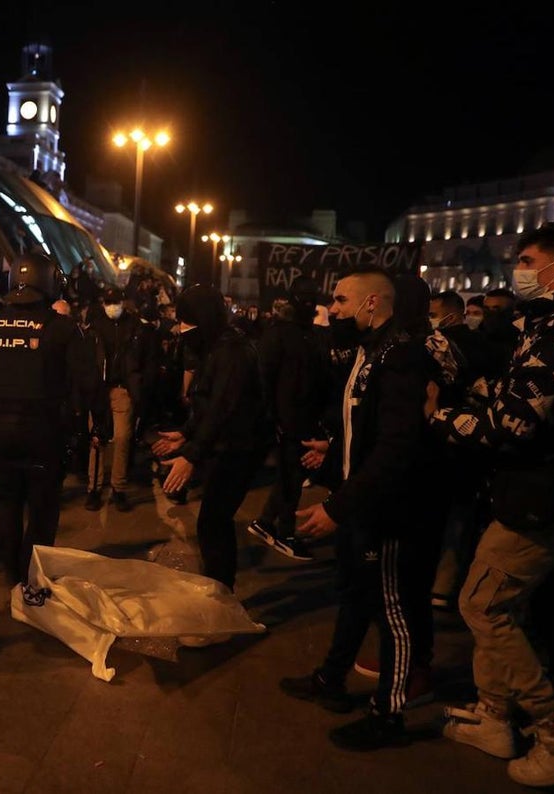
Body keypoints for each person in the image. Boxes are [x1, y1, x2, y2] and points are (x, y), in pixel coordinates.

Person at [430, 218, 554, 786]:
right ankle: (493, 714)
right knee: (500, 604)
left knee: (484, 605)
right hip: (538, 491)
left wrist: (441, 417)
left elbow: (515, 423)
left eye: (527, 260)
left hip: (545, 496)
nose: (520, 270)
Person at [279, 266, 435, 752]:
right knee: (353, 594)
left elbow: (397, 447)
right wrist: (333, 456)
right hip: (359, 502)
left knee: (393, 611)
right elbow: (364, 427)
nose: (334, 310)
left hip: (385, 511)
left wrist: (339, 508)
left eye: (342, 301)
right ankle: (332, 678)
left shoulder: (401, 357)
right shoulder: (372, 352)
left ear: (372, 303)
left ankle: (388, 714)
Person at [0, 252, 102, 585]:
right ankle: (33, 576)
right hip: (45, 432)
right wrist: (100, 423)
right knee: (42, 508)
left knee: (8, 502)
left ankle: (11, 572)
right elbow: (89, 380)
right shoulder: (62, 328)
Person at [151, 284, 269, 592]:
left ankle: (221, 594)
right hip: (225, 448)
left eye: (186, 321)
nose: (180, 329)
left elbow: (222, 409)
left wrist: (192, 454)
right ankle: (219, 587)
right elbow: (207, 403)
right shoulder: (217, 347)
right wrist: (185, 434)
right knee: (213, 521)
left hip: (237, 451)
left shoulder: (232, 352)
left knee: (213, 521)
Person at [248, 276, 329, 561]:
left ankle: (267, 521)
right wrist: (273, 420)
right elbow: (264, 380)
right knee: (291, 478)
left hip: (305, 419)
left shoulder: (311, 334)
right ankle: (284, 532)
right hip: (286, 421)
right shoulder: (279, 334)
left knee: (291, 476)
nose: (308, 302)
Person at [82, 286, 155, 512]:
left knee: (123, 438)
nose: (113, 306)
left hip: (124, 389)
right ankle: (94, 488)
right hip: (100, 391)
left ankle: (118, 488)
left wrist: (140, 385)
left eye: (116, 302)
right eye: (109, 302)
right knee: (97, 440)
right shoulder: (95, 327)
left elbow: (145, 358)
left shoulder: (135, 327)